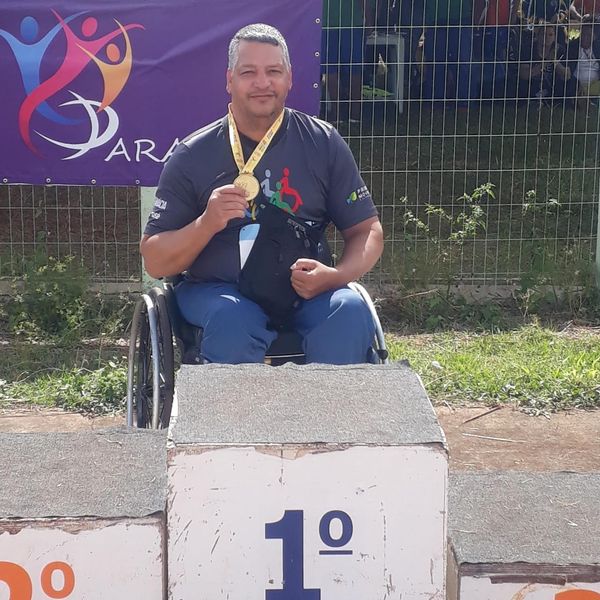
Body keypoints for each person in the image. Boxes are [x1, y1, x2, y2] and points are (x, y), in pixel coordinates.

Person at [140, 23, 384, 365]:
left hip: (304, 290)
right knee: (232, 320)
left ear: (290, 79)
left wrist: (336, 276)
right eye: (248, 72)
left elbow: (367, 230)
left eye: (273, 71)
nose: (262, 82)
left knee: (349, 309)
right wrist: (206, 223)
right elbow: (155, 260)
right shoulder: (193, 155)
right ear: (229, 80)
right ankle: (236, 403)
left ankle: (334, 402)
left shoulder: (323, 143)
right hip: (219, 291)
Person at [518, 21, 571, 101]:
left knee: (570, 84)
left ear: (554, 37)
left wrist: (554, 61)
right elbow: (523, 74)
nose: (547, 38)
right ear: (537, 35)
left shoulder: (559, 50)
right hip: (532, 84)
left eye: (550, 35)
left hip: (551, 85)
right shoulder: (528, 48)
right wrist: (546, 61)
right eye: (544, 34)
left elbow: (567, 75)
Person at [566, 14, 600, 106]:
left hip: (595, 86)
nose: (585, 38)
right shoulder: (572, 47)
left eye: (589, 35)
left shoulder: (598, 48)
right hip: (576, 86)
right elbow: (568, 71)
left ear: (594, 36)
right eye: (583, 34)